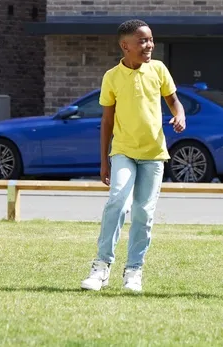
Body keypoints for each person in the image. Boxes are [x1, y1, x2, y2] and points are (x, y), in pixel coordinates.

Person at [80, 20, 186, 294]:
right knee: (117, 202)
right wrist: (104, 160)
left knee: (143, 212)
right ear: (125, 46)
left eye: (150, 40)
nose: (149, 45)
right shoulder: (111, 77)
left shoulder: (159, 69)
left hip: (153, 154)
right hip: (123, 151)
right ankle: (101, 267)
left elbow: (173, 100)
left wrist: (179, 115)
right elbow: (106, 121)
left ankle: (134, 271)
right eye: (142, 41)